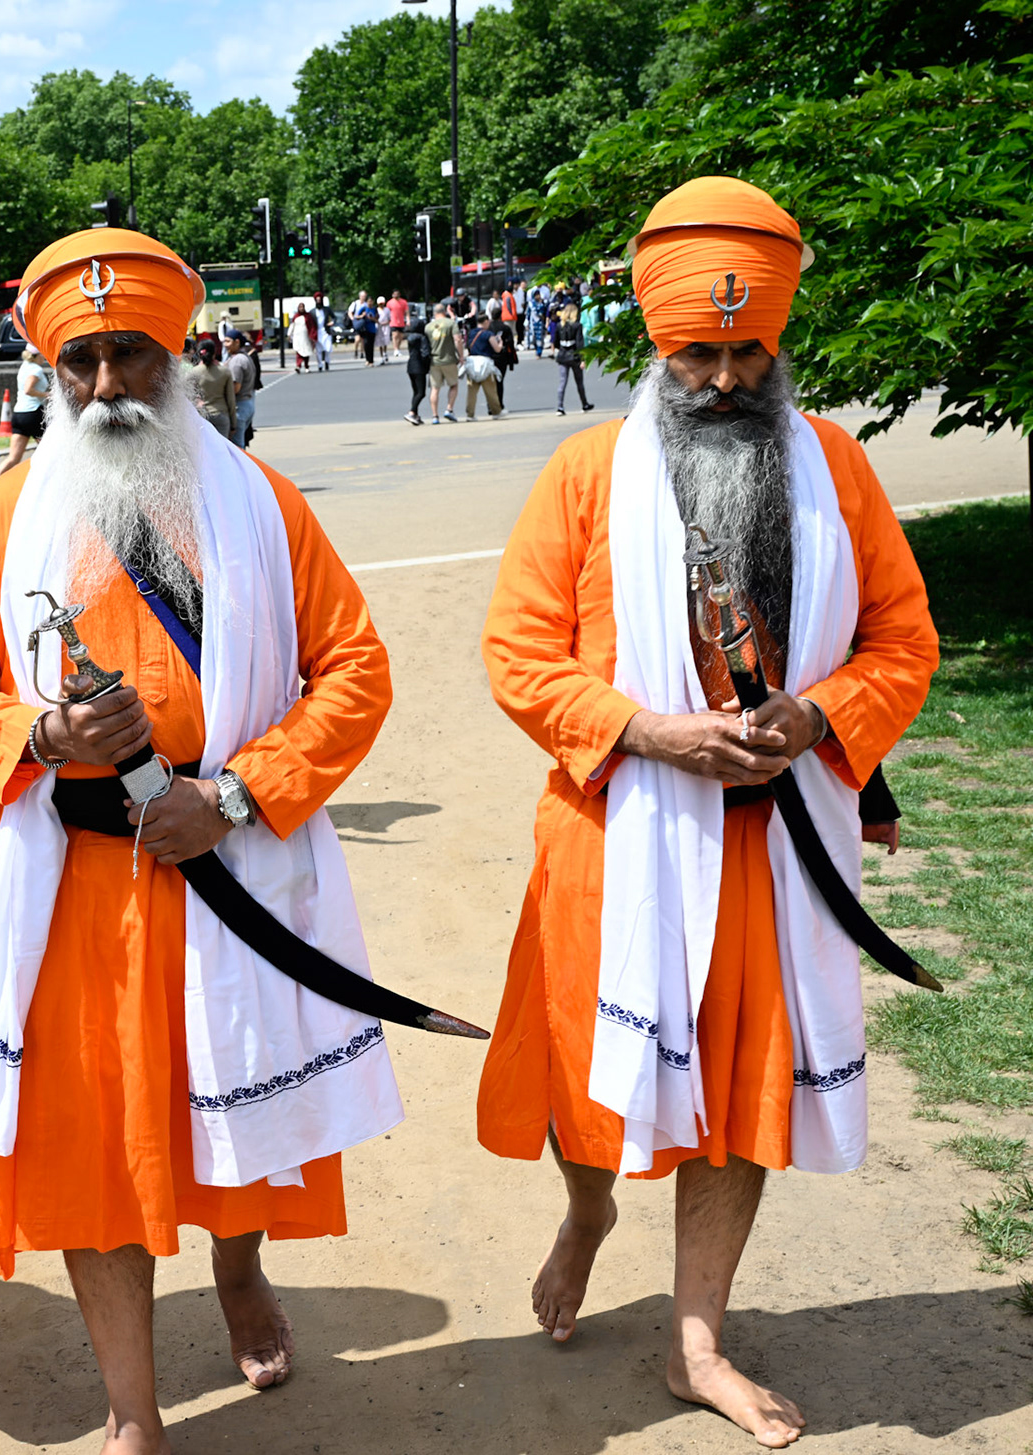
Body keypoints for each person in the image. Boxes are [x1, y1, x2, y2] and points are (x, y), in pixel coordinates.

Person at [0, 226, 404, 1455]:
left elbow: (354, 670)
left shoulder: (259, 501)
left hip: (226, 860)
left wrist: (233, 795)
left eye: (130, 355)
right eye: (79, 361)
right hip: (70, 886)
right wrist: (36, 735)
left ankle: (238, 1270)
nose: (106, 387)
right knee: (92, 1150)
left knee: (223, 1113)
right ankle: (135, 1413)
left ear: (173, 353)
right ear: (47, 368)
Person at [479, 176, 939, 1450]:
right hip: (614, 840)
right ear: (655, 346)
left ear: (778, 342)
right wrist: (656, 731)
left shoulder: (834, 465)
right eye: (699, 353)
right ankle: (588, 1214)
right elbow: (519, 653)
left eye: (749, 351)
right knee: (589, 1086)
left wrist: (818, 717)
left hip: (779, 853)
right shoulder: (583, 474)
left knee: (742, 1100)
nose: (728, 378)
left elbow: (902, 637)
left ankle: (696, 1342)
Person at [2, 343, 52, 473]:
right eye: (43, 354)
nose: (44, 357)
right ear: (36, 356)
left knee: (13, 458)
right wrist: (47, 395)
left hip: (19, 414)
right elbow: (28, 389)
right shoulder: (36, 369)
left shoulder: (24, 367)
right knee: (50, 453)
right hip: (33, 413)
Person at [191, 335, 239, 440]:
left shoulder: (193, 372)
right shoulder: (224, 372)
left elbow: (186, 394)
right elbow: (231, 400)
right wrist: (233, 424)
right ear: (214, 353)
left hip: (202, 416)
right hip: (221, 414)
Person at [552, 304, 594, 415]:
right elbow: (580, 343)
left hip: (562, 355)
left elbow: (555, 341)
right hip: (574, 356)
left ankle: (560, 407)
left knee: (562, 382)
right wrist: (582, 359)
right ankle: (584, 404)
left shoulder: (559, 325)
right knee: (579, 382)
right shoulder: (577, 325)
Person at [425, 303, 461, 423]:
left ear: (434, 313)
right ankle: (449, 409)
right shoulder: (451, 323)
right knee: (454, 385)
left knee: (435, 388)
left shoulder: (428, 327)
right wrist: (461, 356)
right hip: (449, 359)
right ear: (445, 311)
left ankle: (435, 416)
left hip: (434, 361)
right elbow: (457, 340)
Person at [463, 317, 506, 420]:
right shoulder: (488, 334)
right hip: (485, 363)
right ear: (486, 322)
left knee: (472, 391)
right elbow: (497, 349)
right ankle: (496, 412)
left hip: (472, 363)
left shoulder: (471, 333)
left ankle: (470, 414)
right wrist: (500, 342)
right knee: (490, 390)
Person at [226, 333, 259, 446]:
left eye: (228, 341)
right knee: (240, 443)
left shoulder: (237, 361)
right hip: (248, 403)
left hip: (240, 406)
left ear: (237, 342)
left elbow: (236, 388)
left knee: (237, 446)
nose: (225, 345)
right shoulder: (245, 357)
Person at [402, 307, 432, 426]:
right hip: (419, 367)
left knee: (416, 392)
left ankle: (415, 415)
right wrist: (428, 363)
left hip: (411, 366)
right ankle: (412, 411)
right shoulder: (422, 338)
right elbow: (425, 353)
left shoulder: (410, 338)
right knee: (421, 392)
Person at [350, 291, 379, 367]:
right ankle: (367, 360)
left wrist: (371, 318)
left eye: (371, 301)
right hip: (365, 329)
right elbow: (356, 316)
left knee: (371, 345)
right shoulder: (364, 308)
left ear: (373, 302)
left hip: (372, 329)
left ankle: (371, 360)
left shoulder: (375, 309)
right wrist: (362, 316)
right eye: (368, 301)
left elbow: (377, 320)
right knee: (366, 344)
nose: (370, 303)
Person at [311, 293, 337, 371]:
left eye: (320, 300)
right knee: (318, 350)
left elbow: (334, 317)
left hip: (326, 331)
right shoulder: (312, 311)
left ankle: (327, 362)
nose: (318, 301)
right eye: (317, 300)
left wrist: (332, 322)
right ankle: (320, 365)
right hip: (317, 332)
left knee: (327, 348)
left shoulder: (327, 309)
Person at [289, 305, 313, 373]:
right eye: (300, 308)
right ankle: (298, 366)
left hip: (306, 337)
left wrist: (312, 335)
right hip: (298, 337)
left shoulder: (308, 316)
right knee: (299, 352)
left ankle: (306, 366)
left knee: (306, 352)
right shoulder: (296, 316)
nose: (301, 309)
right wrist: (289, 334)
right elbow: (292, 325)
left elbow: (311, 326)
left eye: (302, 307)